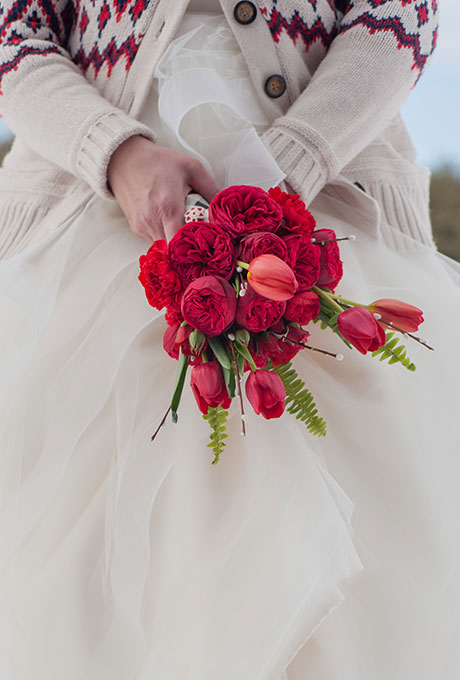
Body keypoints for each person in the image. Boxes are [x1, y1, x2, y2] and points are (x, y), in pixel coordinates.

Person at [0, 1, 459, 679]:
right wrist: (114, 152)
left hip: (329, 176)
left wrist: (295, 161)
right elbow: (14, 27)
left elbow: (401, 14)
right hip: (90, 205)